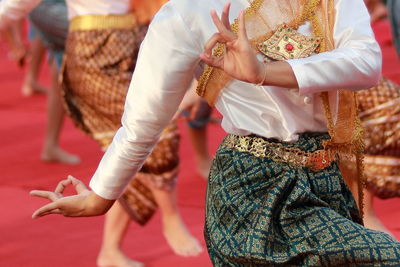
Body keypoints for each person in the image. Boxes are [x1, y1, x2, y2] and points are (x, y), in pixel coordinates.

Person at [30, 0, 400, 265]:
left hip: (326, 181)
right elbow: (142, 122)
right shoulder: (188, 11)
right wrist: (101, 195)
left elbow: (365, 62)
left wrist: (264, 72)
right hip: (252, 189)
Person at [1, 0, 202, 266]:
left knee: (128, 158)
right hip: (92, 53)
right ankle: (170, 215)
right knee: (152, 134)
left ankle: (110, 250)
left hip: (136, 43)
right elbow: (12, 6)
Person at [0, 0, 80, 165]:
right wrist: (14, 43)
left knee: (60, 66)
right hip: (49, 8)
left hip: (49, 8)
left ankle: (50, 146)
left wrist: (14, 43)